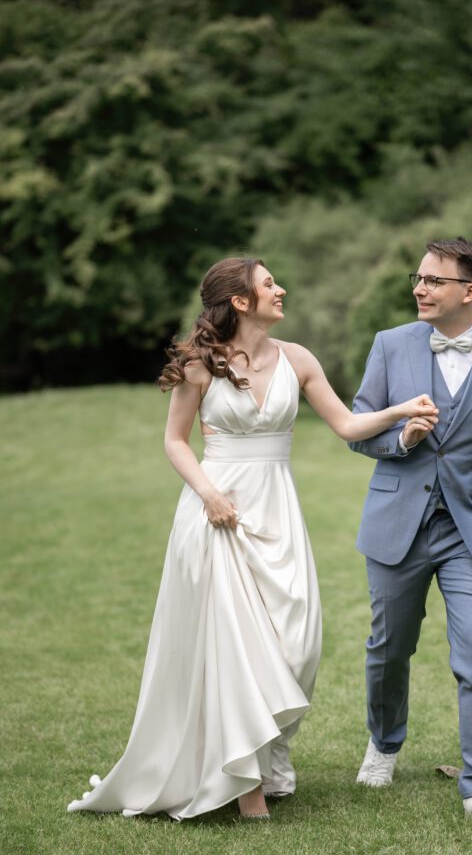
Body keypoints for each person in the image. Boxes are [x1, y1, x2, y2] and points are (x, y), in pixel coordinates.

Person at [67, 257, 437, 822]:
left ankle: (266, 758)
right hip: (218, 512)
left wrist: (402, 412)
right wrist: (209, 494)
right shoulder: (201, 365)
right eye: (269, 284)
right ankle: (249, 793)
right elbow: (175, 441)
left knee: (299, 643)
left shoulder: (298, 359)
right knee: (234, 647)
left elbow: (346, 425)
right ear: (240, 300)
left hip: (278, 509)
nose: (280, 288)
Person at [350, 237, 472, 827]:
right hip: (397, 523)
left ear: (469, 290)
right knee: (389, 648)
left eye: (433, 280)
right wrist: (400, 439)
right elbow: (358, 429)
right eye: (419, 278)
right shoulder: (390, 345)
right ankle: (384, 742)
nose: (420, 288)